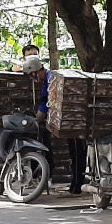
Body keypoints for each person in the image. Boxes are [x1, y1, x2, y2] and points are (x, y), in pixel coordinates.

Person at [23, 55, 86, 195]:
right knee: (74, 152)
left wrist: (37, 120)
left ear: (36, 71)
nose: (33, 80)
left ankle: (77, 186)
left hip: (74, 119)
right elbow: (45, 103)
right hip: (68, 120)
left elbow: (47, 104)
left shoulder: (52, 79)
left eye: (32, 76)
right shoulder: (48, 80)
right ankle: (75, 185)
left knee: (77, 152)